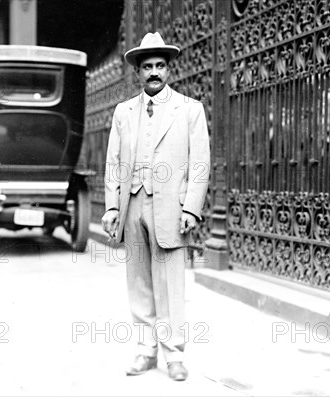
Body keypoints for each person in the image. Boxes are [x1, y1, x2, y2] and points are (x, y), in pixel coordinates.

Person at [101, 32, 210, 381]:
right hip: (131, 204)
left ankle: (174, 353)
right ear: (137, 72)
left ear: (169, 70)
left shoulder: (190, 110)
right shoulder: (123, 112)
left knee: (170, 285)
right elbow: (114, 163)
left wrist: (191, 208)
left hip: (171, 209)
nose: (153, 72)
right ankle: (145, 350)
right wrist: (112, 207)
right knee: (139, 283)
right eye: (147, 66)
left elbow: (200, 164)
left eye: (160, 66)